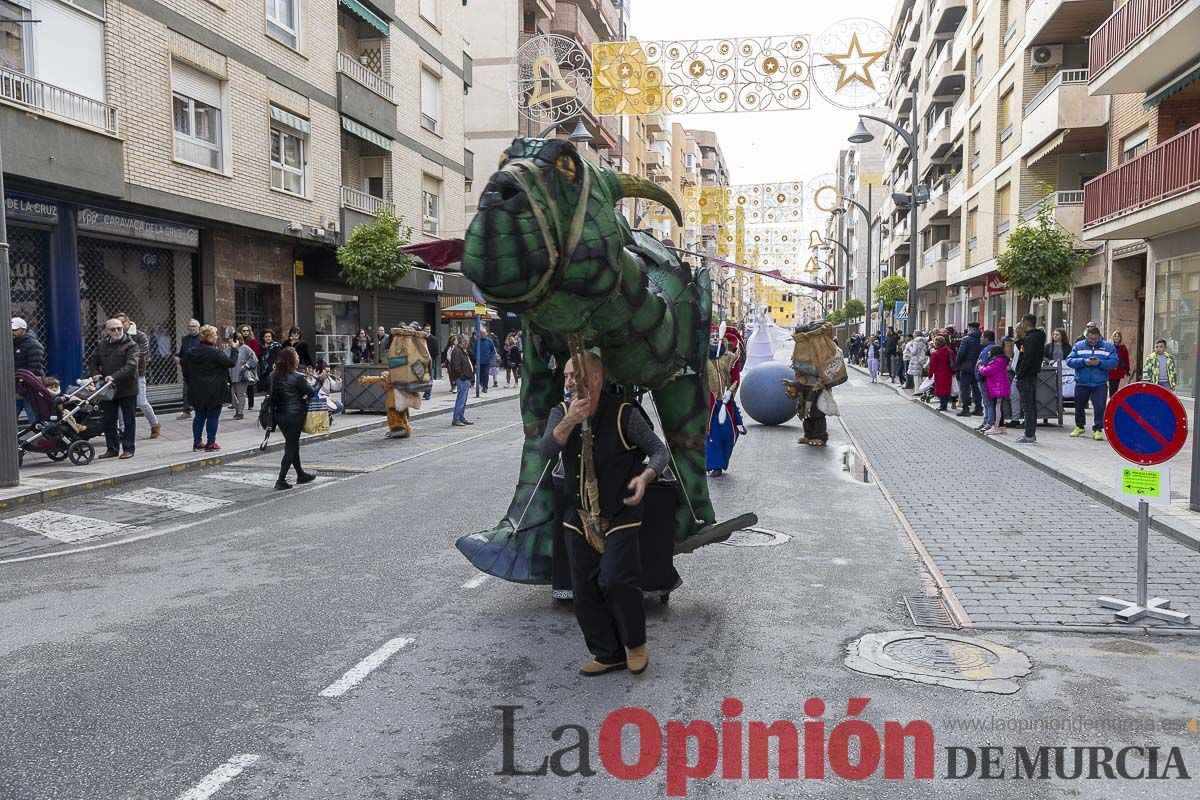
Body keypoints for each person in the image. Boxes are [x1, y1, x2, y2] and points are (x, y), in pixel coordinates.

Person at [537, 350, 665, 677]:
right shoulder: (560, 412)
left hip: (620, 512)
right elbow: (546, 451)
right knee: (584, 591)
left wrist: (645, 476)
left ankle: (635, 644)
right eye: (564, 376)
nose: (566, 381)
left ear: (594, 379)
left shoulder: (624, 414)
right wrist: (569, 420)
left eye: (573, 376)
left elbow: (658, 451)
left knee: (616, 580)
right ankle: (608, 653)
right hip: (579, 516)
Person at [88, 318, 140, 460]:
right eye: (113, 329)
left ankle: (128, 448)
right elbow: (93, 361)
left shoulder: (131, 345)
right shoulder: (102, 344)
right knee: (108, 420)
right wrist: (95, 374)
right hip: (108, 389)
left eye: (119, 328)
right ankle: (112, 449)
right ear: (107, 331)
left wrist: (113, 376)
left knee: (129, 420)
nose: (117, 331)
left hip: (127, 388)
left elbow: (131, 365)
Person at [181, 324, 236, 452]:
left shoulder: (191, 352)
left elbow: (185, 370)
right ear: (210, 337)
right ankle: (211, 443)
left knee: (199, 415)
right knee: (213, 416)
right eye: (215, 335)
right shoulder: (215, 353)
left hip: (196, 389)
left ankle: (197, 442)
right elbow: (231, 363)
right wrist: (234, 349)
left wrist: (192, 382)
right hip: (214, 390)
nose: (216, 337)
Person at [269, 346, 316, 490]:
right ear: (292, 360)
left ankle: (301, 474)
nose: (298, 358)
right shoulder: (298, 377)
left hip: (279, 415)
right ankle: (281, 480)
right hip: (294, 415)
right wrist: (318, 381)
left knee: (292, 444)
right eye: (296, 356)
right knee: (291, 446)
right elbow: (312, 393)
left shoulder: (273, 375)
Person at [705, 327, 746, 476]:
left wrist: (730, 392)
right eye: (711, 336)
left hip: (726, 403)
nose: (715, 338)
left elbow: (736, 378)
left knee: (729, 434)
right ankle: (716, 465)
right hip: (710, 405)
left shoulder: (729, 357)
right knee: (713, 435)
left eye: (717, 335)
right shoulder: (702, 359)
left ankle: (723, 459)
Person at [1066, 325, 1118, 440]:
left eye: (1096, 339)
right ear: (1086, 337)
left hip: (1100, 383)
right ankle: (1079, 426)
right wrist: (1084, 362)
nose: (1093, 341)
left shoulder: (1108, 347)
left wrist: (1100, 363)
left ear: (1099, 337)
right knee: (1079, 405)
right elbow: (1069, 361)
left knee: (1099, 406)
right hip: (1082, 382)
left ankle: (1098, 429)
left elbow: (1114, 362)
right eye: (1090, 339)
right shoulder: (1079, 346)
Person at [115, 314, 162, 440]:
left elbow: (141, 354)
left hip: (137, 373)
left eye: (121, 323)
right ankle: (122, 429)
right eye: (116, 324)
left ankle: (155, 424)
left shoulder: (140, 336)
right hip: (120, 374)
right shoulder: (115, 335)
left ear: (128, 322)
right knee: (121, 402)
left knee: (141, 402)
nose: (118, 327)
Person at [1012, 315, 1046, 444]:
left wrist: (1019, 374)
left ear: (1025, 323)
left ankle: (1029, 435)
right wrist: (1019, 339)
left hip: (1026, 376)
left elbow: (1026, 358)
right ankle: (1030, 433)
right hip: (1032, 375)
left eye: (1021, 322)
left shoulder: (1030, 338)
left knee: (1028, 406)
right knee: (1030, 405)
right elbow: (1024, 349)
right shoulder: (1038, 336)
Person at [12, 317, 46, 425]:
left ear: (24, 329)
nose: (12, 332)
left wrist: (23, 389)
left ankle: (41, 440)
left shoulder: (33, 345)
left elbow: (34, 370)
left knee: (34, 418)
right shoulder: (12, 344)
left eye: (15, 330)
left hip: (28, 388)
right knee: (9, 419)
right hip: (16, 386)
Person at [978, 343, 1010, 436]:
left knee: (997, 407)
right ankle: (1001, 426)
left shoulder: (998, 361)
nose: (988, 352)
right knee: (999, 407)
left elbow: (987, 371)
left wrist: (980, 367)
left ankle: (996, 427)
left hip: (998, 388)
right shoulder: (1000, 361)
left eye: (990, 351)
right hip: (998, 387)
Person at [954, 322, 984, 417]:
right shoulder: (981, 339)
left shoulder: (966, 339)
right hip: (978, 366)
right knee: (976, 389)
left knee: (965, 388)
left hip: (966, 367)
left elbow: (960, 353)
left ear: (970, 328)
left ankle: (965, 409)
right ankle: (978, 408)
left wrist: (957, 364)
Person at [227, 332, 258, 421]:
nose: (229, 340)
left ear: (238, 340)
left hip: (241, 375)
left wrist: (246, 365)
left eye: (231, 339)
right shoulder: (227, 349)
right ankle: (237, 409)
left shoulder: (245, 348)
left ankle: (240, 413)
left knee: (241, 394)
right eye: (229, 339)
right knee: (231, 395)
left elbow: (254, 359)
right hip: (230, 376)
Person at [175, 318, 201, 419]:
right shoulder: (185, 339)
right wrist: (177, 356)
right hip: (186, 370)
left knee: (199, 391)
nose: (191, 328)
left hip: (198, 370)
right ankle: (186, 411)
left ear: (198, 327)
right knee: (186, 391)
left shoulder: (202, 339)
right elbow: (182, 351)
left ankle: (201, 410)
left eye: (193, 326)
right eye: (189, 326)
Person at [972, 331, 997, 430]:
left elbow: (983, 364)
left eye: (982, 337)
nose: (980, 339)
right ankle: (986, 421)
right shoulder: (989, 348)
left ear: (987, 338)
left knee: (988, 402)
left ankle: (989, 422)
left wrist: (979, 375)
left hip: (985, 379)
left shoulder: (988, 349)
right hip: (984, 379)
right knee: (986, 402)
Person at [450, 334, 475, 426]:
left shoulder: (463, 350)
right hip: (462, 379)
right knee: (461, 400)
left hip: (466, 378)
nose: (468, 343)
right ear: (463, 342)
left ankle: (461, 417)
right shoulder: (457, 351)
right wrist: (463, 376)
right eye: (467, 342)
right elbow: (456, 366)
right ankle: (456, 419)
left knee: (463, 400)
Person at [928, 335, 956, 411]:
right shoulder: (950, 351)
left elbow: (932, 365)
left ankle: (942, 406)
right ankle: (945, 405)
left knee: (941, 390)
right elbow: (954, 362)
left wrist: (930, 374)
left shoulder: (935, 353)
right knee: (947, 390)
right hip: (948, 373)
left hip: (939, 374)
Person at [238, 325, 261, 410]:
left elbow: (257, 353)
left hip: (249, 365)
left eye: (247, 331)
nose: (246, 332)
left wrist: (248, 363)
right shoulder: (237, 340)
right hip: (239, 365)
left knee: (249, 384)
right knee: (238, 383)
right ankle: (236, 403)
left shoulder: (253, 341)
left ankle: (250, 405)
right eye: (244, 331)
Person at [1108, 330, 1132, 397]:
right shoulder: (1110, 347)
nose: (1116, 338)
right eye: (1115, 336)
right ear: (1113, 337)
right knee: (1112, 387)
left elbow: (1126, 358)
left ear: (1120, 338)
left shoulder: (1123, 347)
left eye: (1118, 336)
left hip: (1119, 369)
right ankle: (1112, 400)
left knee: (1116, 386)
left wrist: (1127, 369)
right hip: (1111, 370)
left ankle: (1114, 401)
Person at [424, 324, 439, 401]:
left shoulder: (434, 339)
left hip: (430, 362)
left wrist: (431, 358)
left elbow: (436, 352)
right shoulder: (421, 338)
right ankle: (425, 392)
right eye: (426, 329)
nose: (427, 331)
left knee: (429, 378)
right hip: (421, 361)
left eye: (429, 329)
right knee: (423, 378)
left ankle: (427, 394)